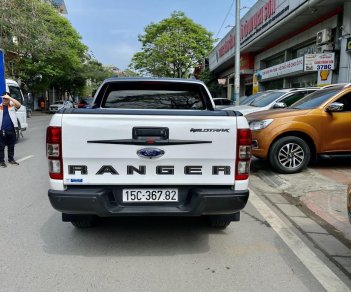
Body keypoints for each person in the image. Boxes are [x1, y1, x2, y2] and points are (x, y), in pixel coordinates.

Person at [0, 92, 21, 167]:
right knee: (1, 147)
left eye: (6, 98)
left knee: (11, 146)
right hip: (2, 130)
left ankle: (11, 159)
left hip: (11, 129)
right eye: (4, 98)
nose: (4, 100)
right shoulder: (0, 106)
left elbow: (19, 105)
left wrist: (10, 98)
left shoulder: (12, 106)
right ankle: (1, 161)